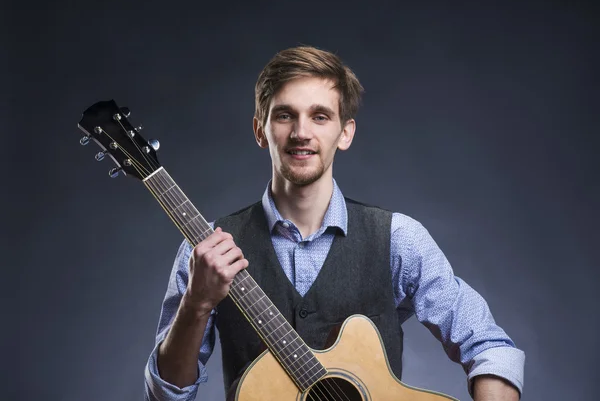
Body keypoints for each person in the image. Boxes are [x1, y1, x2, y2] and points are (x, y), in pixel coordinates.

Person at [144, 46, 525, 401]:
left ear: (345, 133)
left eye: (320, 116)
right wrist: (196, 302)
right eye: (284, 115)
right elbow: (166, 396)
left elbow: (490, 349)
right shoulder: (208, 252)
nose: (301, 133)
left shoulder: (397, 239)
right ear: (260, 130)